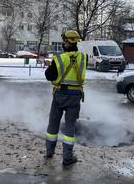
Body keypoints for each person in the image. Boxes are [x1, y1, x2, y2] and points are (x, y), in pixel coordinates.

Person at [44, 30, 87, 166]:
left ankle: (49, 152)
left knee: (53, 123)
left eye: (64, 42)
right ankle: (67, 158)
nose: (63, 44)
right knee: (70, 127)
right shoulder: (84, 57)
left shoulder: (59, 58)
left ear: (68, 42)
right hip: (75, 97)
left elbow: (49, 76)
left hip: (59, 95)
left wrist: (50, 66)